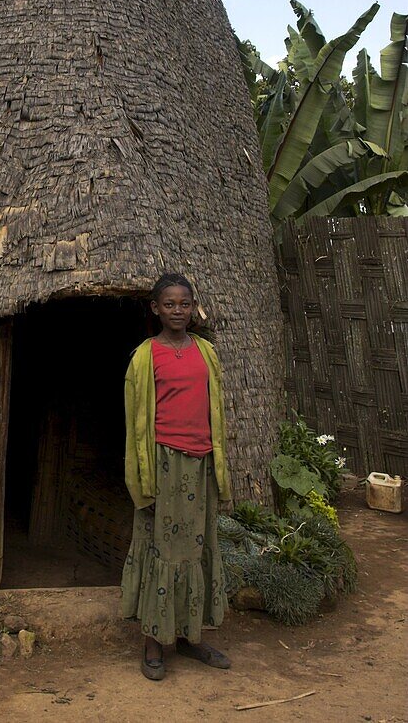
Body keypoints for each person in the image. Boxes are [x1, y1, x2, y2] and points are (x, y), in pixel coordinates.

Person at [121, 272, 232, 680]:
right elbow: (135, 423)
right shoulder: (145, 356)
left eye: (184, 304)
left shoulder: (206, 352)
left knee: (198, 548)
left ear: (193, 307)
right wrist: (142, 475)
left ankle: (191, 637)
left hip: (201, 462)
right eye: (169, 304)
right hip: (164, 465)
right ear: (156, 308)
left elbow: (215, 410)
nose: (178, 311)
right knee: (161, 550)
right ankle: (154, 642)